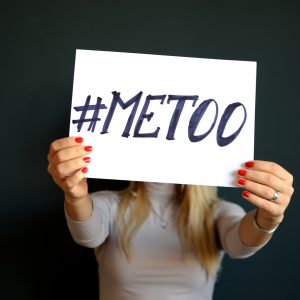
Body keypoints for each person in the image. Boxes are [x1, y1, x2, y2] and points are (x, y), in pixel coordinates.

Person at [47, 136, 294, 300]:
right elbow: (87, 235)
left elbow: (240, 245)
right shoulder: (111, 204)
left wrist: (269, 219)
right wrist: (75, 196)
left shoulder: (216, 212)